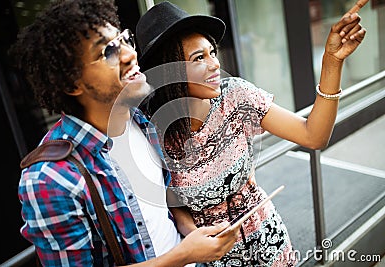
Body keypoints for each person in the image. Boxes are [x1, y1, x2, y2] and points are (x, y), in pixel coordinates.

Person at [9, 0, 240, 266]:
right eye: (108, 51)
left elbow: (160, 207)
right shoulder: (49, 178)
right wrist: (184, 255)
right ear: (73, 83)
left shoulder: (140, 121)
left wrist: (191, 233)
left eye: (123, 40)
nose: (131, 54)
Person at [135, 1, 367, 266]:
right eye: (199, 58)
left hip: (269, 242)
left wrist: (332, 62)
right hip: (213, 257)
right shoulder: (153, 130)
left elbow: (313, 135)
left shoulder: (236, 96)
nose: (214, 65)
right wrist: (193, 234)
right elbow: (171, 201)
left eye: (212, 53)